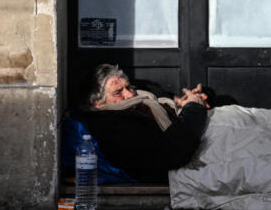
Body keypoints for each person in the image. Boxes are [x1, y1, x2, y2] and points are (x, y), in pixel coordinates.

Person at [74, 64, 211, 182]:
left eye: (128, 87)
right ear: (97, 103)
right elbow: (175, 152)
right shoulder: (113, 124)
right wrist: (194, 107)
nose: (129, 95)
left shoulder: (140, 102)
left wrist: (184, 102)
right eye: (118, 92)